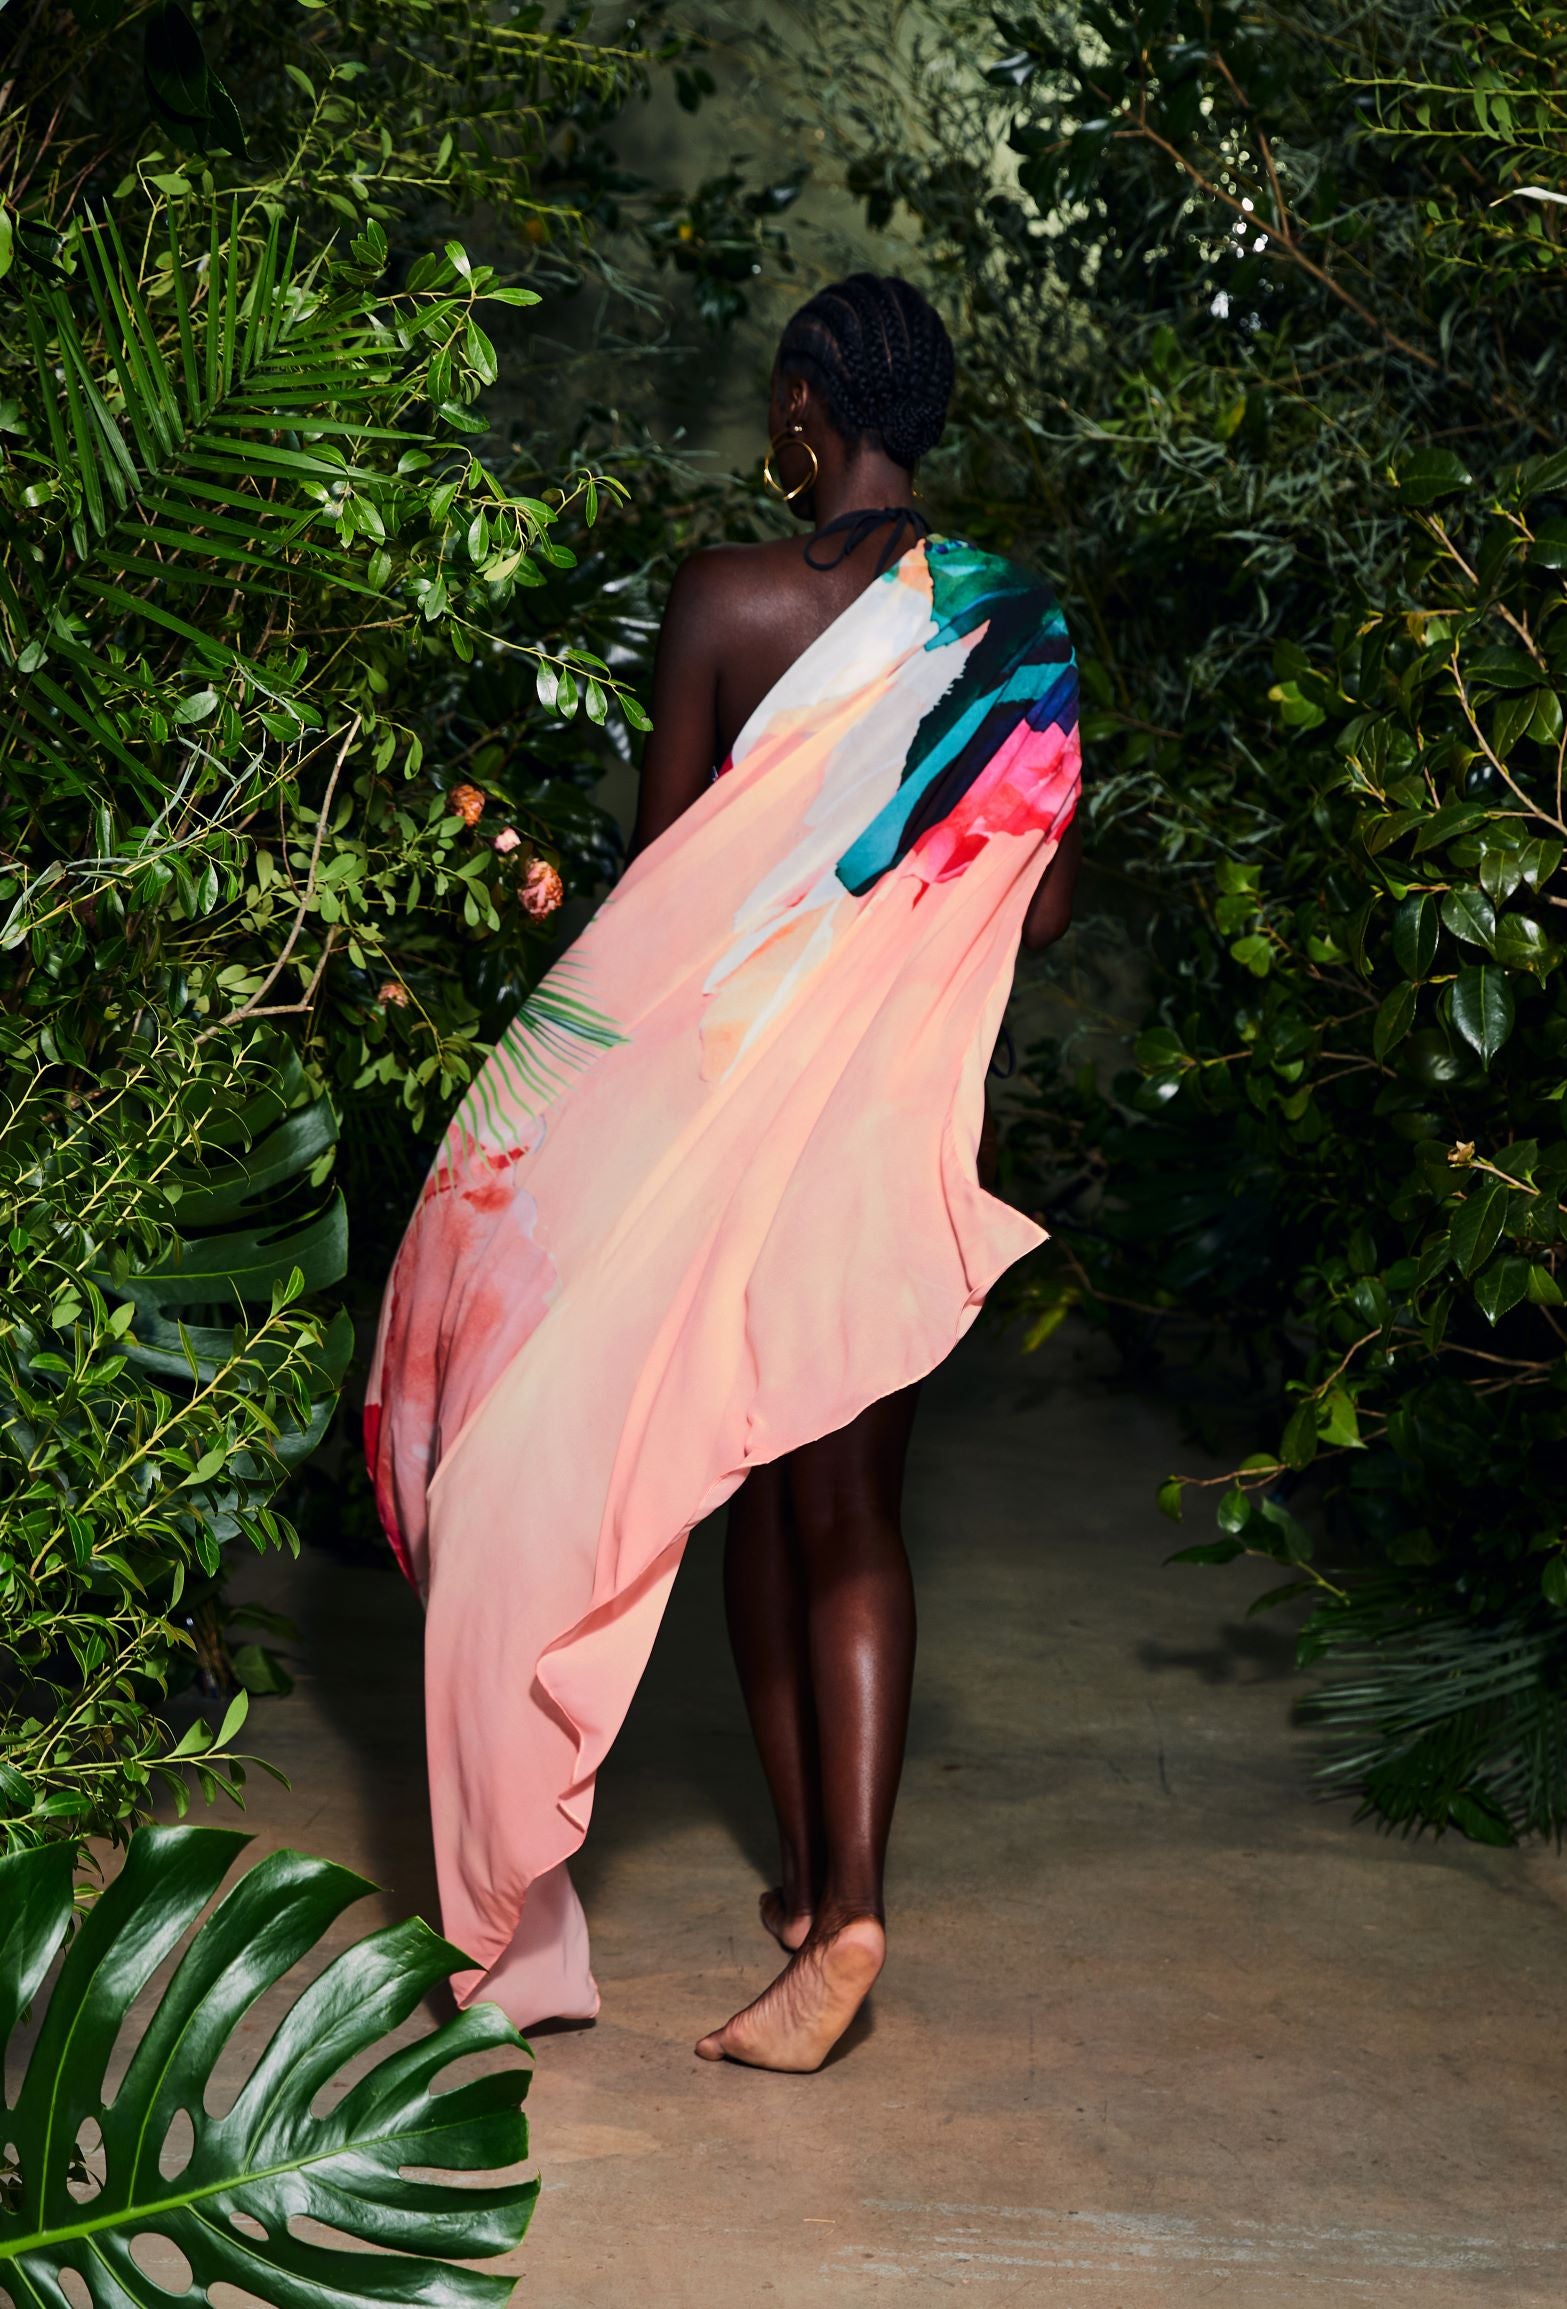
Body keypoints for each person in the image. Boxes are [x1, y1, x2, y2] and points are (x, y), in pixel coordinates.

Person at [365, 272, 1082, 2074]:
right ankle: (835, 1903)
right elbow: (1042, 900)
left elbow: (663, 901)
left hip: (725, 1130)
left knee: (740, 1492)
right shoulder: (1015, 624)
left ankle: (827, 1904)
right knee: (850, 1513)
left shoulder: (723, 597)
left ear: (803, 409)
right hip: (888, 1124)